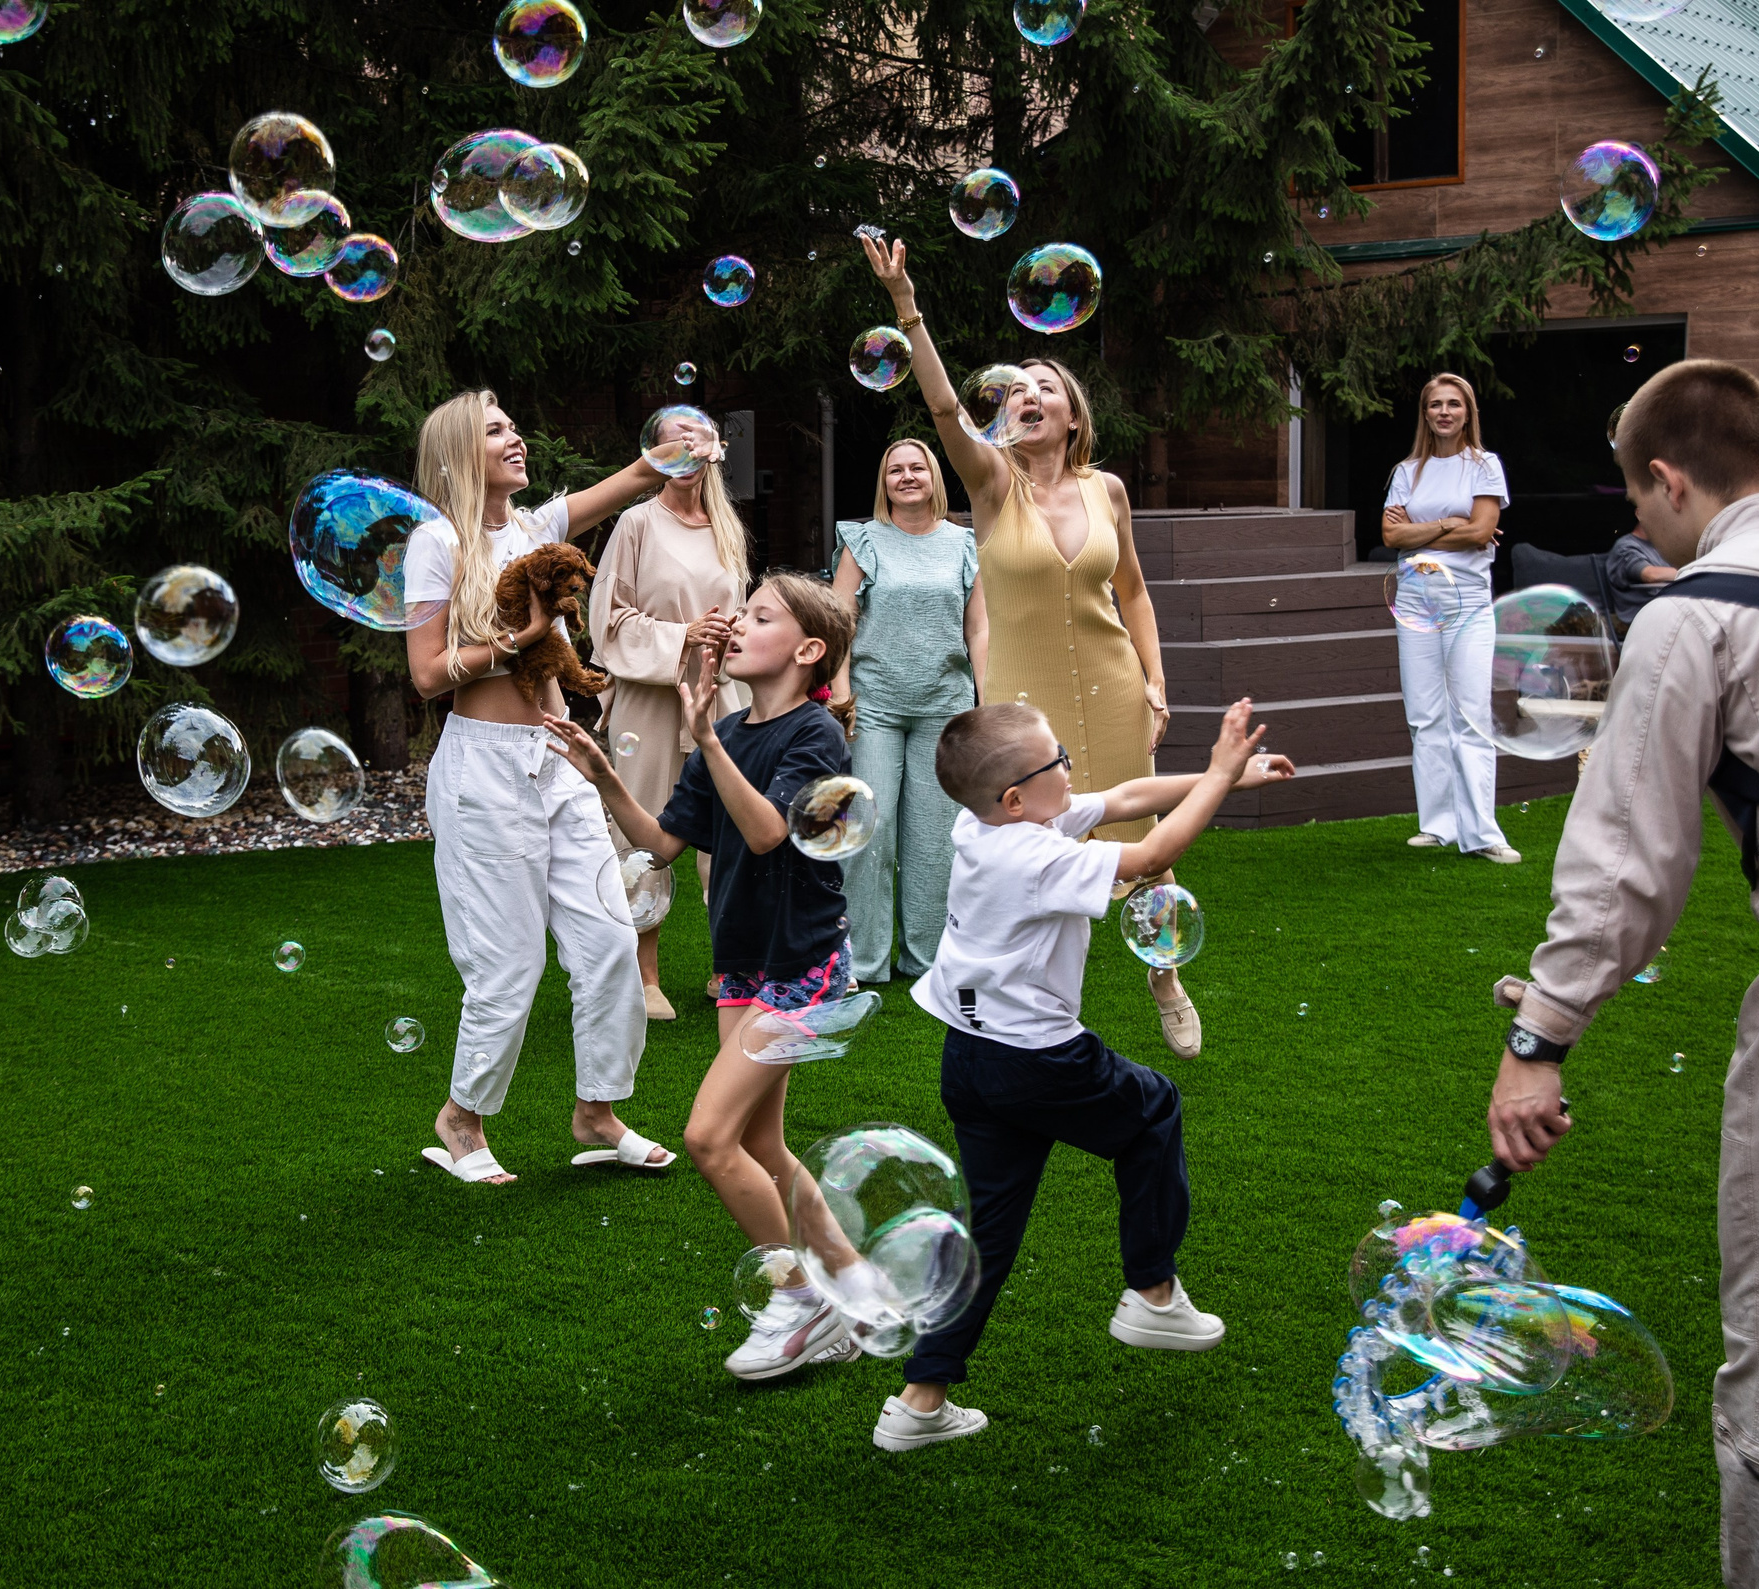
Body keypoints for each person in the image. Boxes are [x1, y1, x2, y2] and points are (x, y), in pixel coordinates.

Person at [1480, 359, 1759, 1587]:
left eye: (1637, 499)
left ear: (1667, 479)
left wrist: (1539, 1037)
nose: (1638, 524)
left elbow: (1626, 863)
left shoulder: (1693, 610)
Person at [870, 697, 1295, 1451]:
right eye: (1055, 760)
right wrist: (1221, 771)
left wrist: (1227, 779)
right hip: (1035, 1058)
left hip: (969, 1056)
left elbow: (1129, 798)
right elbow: (1151, 854)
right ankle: (1152, 1290)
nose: (1068, 767)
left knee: (988, 1234)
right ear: (1015, 796)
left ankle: (920, 1401)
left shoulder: (989, 825)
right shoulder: (1035, 855)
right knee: (1155, 1107)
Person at [861, 233, 1203, 1060]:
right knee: (1033, 849)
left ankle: (1165, 976)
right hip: (1024, 705)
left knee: (1138, 841)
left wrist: (1157, 682)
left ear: (1072, 413)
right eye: (1016, 390)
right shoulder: (988, 483)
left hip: (1115, 684)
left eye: (1044, 385)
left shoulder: (1106, 489)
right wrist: (906, 304)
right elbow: (944, 407)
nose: (1028, 394)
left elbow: (1134, 593)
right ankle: (1038, 1005)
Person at [546, 573, 865, 1381]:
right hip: (743, 964)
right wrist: (604, 776)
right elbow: (661, 842)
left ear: (807, 650)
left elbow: (764, 835)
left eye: (760, 615)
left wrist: (711, 743)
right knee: (761, 1141)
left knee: (708, 1137)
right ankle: (855, 1284)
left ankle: (802, 1300)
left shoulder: (815, 737)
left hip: (801, 965)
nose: (736, 622)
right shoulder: (720, 727)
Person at [403, 389, 698, 1185]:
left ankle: (597, 1112)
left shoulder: (536, 528)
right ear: (461, 452)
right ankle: (461, 1119)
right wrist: (523, 641)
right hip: (483, 767)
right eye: (496, 429)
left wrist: (679, 440)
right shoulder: (436, 543)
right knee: (507, 965)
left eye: (512, 424)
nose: (516, 437)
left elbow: (638, 474)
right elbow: (428, 673)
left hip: (562, 757)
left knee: (608, 939)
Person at [586, 411, 752, 1021]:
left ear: (716, 449)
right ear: (654, 449)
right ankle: (644, 973)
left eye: (699, 432)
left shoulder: (728, 529)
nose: (688, 441)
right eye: (674, 433)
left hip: (718, 694)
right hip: (651, 700)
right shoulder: (636, 523)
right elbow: (608, 621)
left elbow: (739, 612)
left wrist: (735, 637)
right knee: (643, 828)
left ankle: (728, 967)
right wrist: (684, 635)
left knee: (730, 831)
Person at [830, 438, 989, 986]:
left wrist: (984, 702)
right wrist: (840, 691)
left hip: (944, 707)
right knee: (869, 834)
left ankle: (927, 960)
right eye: (894, 469)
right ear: (884, 483)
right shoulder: (862, 540)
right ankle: (862, 961)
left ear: (934, 477)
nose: (906, 476)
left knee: (934, 840)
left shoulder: (967, 545)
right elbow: (838, 624)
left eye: (916, 467)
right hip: (873, 705)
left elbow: (979, 629)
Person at [1379, 373, 1518, 864]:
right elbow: (1390, 539)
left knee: (1471, 716)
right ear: (1425, 413)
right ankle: (1437, 825)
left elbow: (1482, 530)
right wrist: (1447, 524)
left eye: (1453, 404)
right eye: (1435, 404)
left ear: (1467, 412)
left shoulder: (1484, 466)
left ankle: (1482, 833)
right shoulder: (1406, 471)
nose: (1444, 412)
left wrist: (1424, 531)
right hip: (1415, 599)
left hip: (1468, 601)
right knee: (1424, 715)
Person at [1602, 522, 1679, 631]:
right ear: (1640, 515)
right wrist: (1691, 571)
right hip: (1643, 615)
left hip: (1666, 609)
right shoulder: (1625, 546)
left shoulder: (1658, 546)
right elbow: (1650, 574)